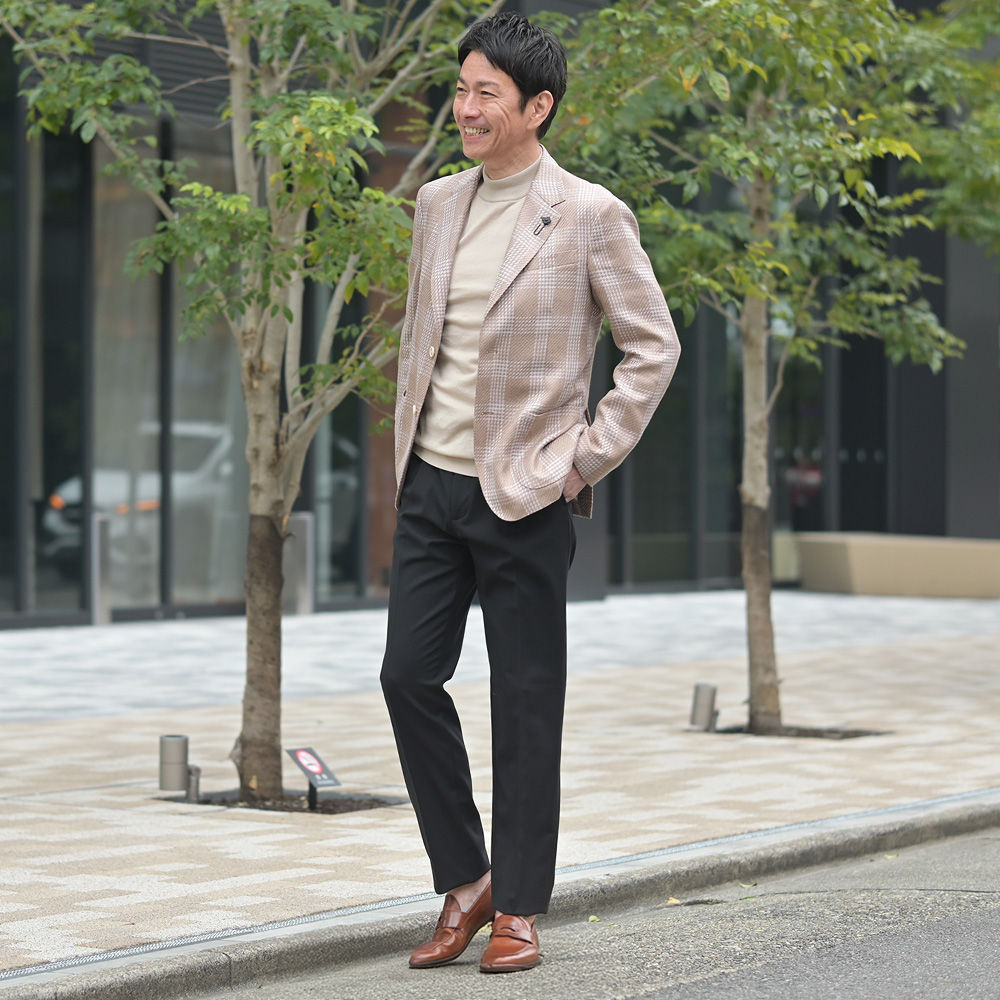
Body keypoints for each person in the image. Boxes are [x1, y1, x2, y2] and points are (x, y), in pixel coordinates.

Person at [380, 11, 680, 974]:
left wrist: (582, 460)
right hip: (431, 484)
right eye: (460, 89)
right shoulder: (436, 203)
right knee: (406, 676)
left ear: (537, 106)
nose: (465, 108)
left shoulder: (589, 213)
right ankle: (466, 878)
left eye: (486, 94)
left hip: (526, 492)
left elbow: (652, 347)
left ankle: (518, 905)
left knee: (524, 699)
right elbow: (425, 337)